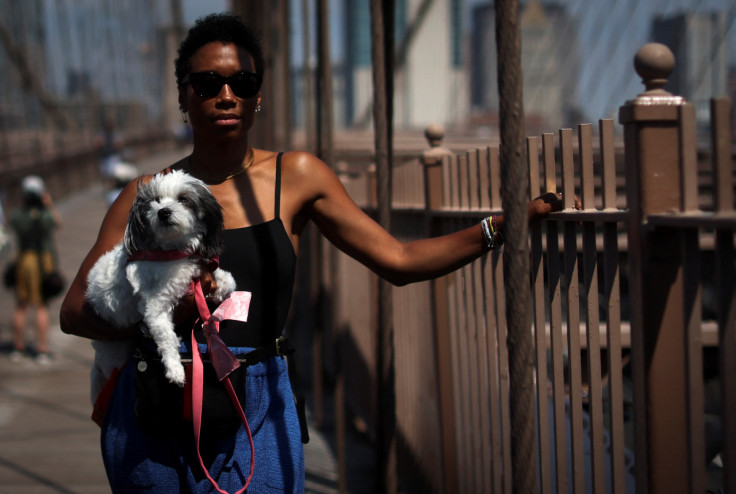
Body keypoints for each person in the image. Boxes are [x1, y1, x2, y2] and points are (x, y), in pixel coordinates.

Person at [59, 13, 564, 493]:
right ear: (183, 97)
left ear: (260, 96)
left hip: (257, 400)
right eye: (208, 84)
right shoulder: (146, 197)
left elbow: (401, 262)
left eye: (244, 83)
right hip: (156, 406)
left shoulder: (295, 177)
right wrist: (165, 316)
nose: (227, 95)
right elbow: (75, 311)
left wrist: (505, 226)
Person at [11, 176, 62, 364]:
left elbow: (13, 224)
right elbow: (57, 223)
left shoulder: (18, 215)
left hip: (23, 259)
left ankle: (18, 347)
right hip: (42, 261)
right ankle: (42, 348)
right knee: (41, 305)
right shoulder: (44, 215)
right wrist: (48, 204)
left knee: (21, 304)